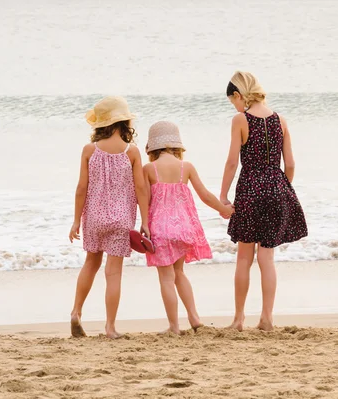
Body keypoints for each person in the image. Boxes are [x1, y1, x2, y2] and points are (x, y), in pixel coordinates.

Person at [220, 71, 308, 331]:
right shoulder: (280, 120)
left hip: (249, 189)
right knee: (267, 258)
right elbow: (290, 163)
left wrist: (223, 195)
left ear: (239, 95)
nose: (235, 106)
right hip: (277, 189)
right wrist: (283, 185)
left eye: (233, 101)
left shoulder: (240, 120)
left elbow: (231, 162)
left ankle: (238, 319)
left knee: (244, 258)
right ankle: (267, 318)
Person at [69, 96, 149, 339]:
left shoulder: (89, 150)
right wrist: (145, 221)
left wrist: (75, 220)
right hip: (121, 220)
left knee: (90, 264)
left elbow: (81, 188)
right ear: (124, 123)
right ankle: (110, 327)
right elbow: (141, 188)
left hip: (93, 218)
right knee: (113, 273)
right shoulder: (131, 152)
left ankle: (76, 312)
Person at [144, 121, 234, 334]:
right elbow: (204, 195)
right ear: (176, 145)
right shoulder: (187, 167)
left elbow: (144, 200)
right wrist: (223, 209)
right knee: (179, 273)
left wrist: (143, 225)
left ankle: (174, 326)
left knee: (166, 278)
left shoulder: (149, 169)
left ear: (153, 146)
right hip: (184, 227)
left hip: (160, 229)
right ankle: (194, 318)